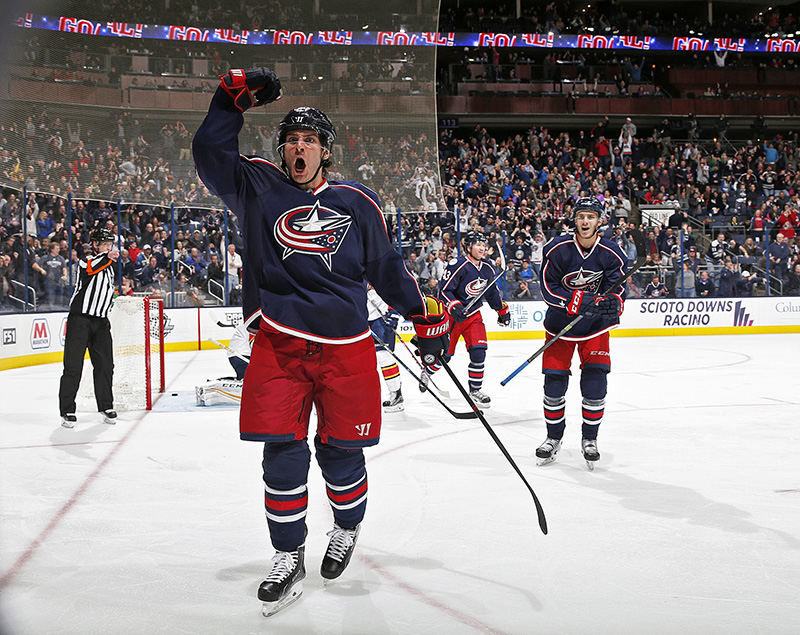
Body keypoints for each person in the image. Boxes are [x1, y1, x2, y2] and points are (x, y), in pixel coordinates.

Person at [192, 67, 450, 617]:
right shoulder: (258, 186)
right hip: (281, 344)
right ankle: (288, 557)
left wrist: (422, 314)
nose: (298, 147)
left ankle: (347, 528)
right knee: (281, 454)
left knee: (340, 451)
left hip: (346, 346)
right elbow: (211, 158)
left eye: (309, 140)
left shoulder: (357, 201)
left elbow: (386, 266)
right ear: (282, 151)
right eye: (291, 140)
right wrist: (227, 102)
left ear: (325, 151)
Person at [536, 196, 628, 469]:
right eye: (581, 216)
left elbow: (618, 288)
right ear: (574, 220)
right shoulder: (557, 249)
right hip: (560, 325)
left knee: (595, 383)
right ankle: (553, 438)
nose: (585, 221)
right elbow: (547, 287)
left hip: (596, 327)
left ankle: (590, 439)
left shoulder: (612, 252)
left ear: (600, 221)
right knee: (553, 383)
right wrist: (574, 301)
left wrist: (614, 304)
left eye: (591, 216)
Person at [422, 230, 510, 407]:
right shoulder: (458, 265)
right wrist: (454, 306)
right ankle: (428, 371)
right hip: (453, 317)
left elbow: (492, 293)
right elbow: (444, 291)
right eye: (478, 245)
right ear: (468, 247)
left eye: (483, 245)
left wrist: (502, 310)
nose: (482, 248)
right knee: (446, 356)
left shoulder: (487, 268)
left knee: (479, 351)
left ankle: (475, 390)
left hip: (473, 316)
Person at [58, 227, 119, 428]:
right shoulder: (86, 261)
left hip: (101, 322)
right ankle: (67, 409)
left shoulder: (109, 268)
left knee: (105, 366)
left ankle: (106, 405)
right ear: (95, 245)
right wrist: (108, 256)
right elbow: (92, 268)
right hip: (80, 320)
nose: (108, 248)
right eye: (104, 244)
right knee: (73, 366)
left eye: (110, 244)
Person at [196, 321, 254, 406]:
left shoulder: (251, 323)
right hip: (241, 355)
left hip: (238, 355)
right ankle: (212, 386)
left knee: (245, 379)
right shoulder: (252, 325)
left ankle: (215, 383)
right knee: (249, 380)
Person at [366, 285, 404, 412]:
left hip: (381, 319)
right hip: (364, 319)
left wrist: (394, 315)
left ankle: (396, 394)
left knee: (384, 357)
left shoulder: (377, 269)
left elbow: (395, 290)